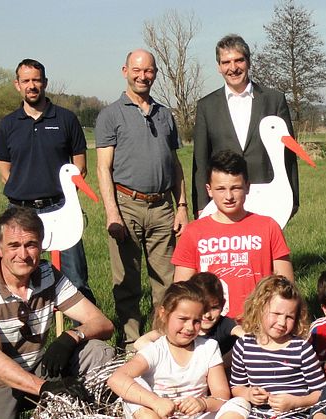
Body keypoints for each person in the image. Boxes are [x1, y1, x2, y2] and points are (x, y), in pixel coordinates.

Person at [0, 207, 115, 419]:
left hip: (34, 367)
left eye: (30, 245)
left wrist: (70, 337)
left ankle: (91, 410)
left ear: (41, 246)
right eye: (14, 245)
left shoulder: (48, 274)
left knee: (97, 352)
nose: (23, 255)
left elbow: (102, 323)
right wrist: (46, 388)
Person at [95, 49, 189, 350]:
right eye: (137, 70)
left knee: (168, 280)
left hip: (162, 206)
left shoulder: (164, 114)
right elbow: (102, 167)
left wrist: (182, 206)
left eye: (148, 71)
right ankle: (131, 345)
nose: (142, 76)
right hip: (127, 205)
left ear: (155, 73)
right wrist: (113, 213)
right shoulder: (111, 115)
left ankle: (164, 341)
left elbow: (174, 164)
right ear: (125, 70)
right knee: (127, 282)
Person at [0, 58, 95, 304]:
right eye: (26, 80)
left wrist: (63, 197)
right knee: (19, 277)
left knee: (76, 280)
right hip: (20, 211)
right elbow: (5, 172)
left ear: (45, 83)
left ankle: (84, 337)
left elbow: (79, 167)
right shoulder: (7, 124)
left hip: (60, 209)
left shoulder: (66, 119)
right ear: (17, 84)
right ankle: (25, 334)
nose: (32, 85)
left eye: (36, 80)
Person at [172, 150, 294, 321]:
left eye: (235, 188)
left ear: (247, 186)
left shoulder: (268, 227)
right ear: (209, 190)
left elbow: (287, 286)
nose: (228, 196)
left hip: (258, 324)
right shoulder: (193, 232)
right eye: (220, 189)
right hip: (210, 326)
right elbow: (181, 291)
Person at [108, 280, 249, 419]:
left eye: (196, 321)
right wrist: (155, 402)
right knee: (134, 392)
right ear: (163, 314)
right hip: (159, 413)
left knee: (240, 403)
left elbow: (221, 395)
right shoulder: (156, 350)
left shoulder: (208, 347)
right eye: (183, 319)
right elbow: (116, 379)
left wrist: (203, 403)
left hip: (198, 415)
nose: (189, 327)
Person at [192, 34, 298, 218]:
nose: (233, 68)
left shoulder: (274, 100)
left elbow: (288, 154)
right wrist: (202, 205)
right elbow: (200, 161)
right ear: (219, 67)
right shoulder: (206, 106)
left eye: (238, 60)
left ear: (248, 62)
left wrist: (292, 200)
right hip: (224, 201)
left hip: (267, 198)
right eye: (226, 62)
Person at [230, 275, 325, 419]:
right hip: (256, 414)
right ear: (259, 308)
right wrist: (249, 394)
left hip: (293, 414)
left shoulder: (301, 349)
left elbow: (322, 393)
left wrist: (296, 402)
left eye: (289, 317)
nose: (282, 322)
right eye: (276, 314)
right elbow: (237, 387)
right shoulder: (244, 346)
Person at [134, 272, 244, 357]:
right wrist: (166, 357)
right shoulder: (182, 328)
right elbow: (140, 343)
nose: (207, 315)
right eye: (203, 309)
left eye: (214, 308)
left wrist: (219, 363)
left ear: (223, 304)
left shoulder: (224, 324)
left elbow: (246, 336)